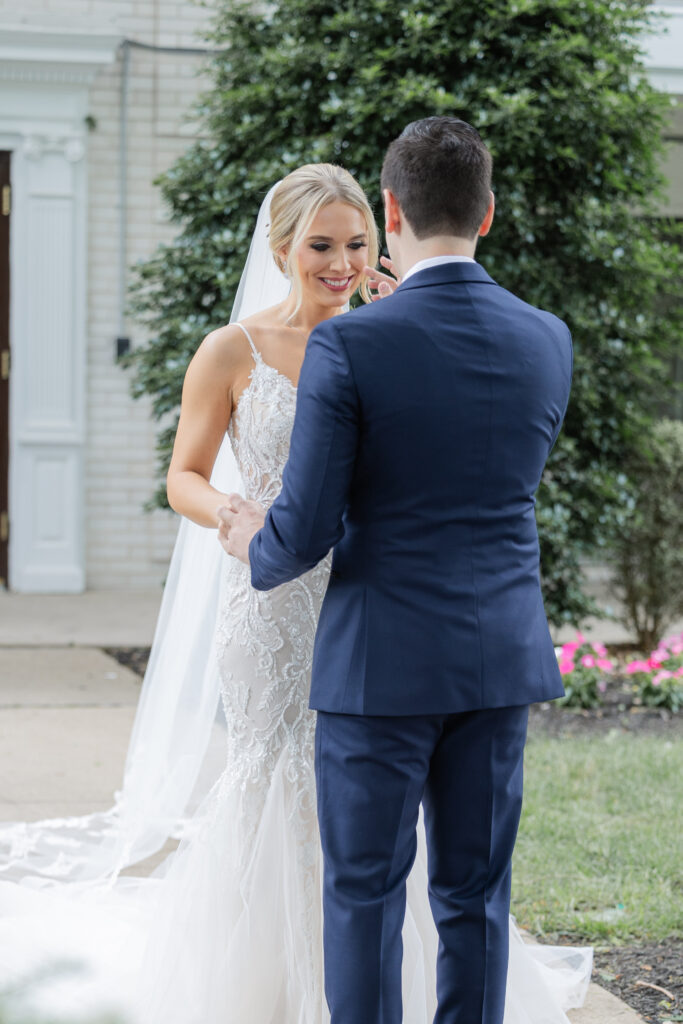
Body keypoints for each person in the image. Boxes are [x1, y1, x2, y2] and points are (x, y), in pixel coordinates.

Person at [0, 159, 591, 1024]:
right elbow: (184, 474)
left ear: (384, 230)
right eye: (319, 245)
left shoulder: (386, 335)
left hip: (360, 600)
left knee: (369, 851)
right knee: (285, 794)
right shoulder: (233, 350)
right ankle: (266, 981)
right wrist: (232, 516)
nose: (340, 263)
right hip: (276, 602)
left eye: (355, 243)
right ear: (280, 250)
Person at [219, 120, 586, 1024]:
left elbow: (301, 530)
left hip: (377, 665)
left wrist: (248, 542)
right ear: (488, 214)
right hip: (498, 660)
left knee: (365, 895)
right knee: (474, 896)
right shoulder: (546, 338)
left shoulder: (354, 345)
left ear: (388, 210)